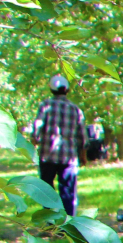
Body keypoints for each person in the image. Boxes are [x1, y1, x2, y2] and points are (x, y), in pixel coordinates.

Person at [32, 75, 84, 216]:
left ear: (51, 89)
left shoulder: (45, 106)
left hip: (48, 155)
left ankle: (49, 224)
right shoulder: (75, 110)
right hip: (69, 157)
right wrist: (82, 154)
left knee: (46, 191)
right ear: (67, 90)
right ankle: (67, 225)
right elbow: (82, 137)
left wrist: (35, 140)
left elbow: (37, 127)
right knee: (68, 192)